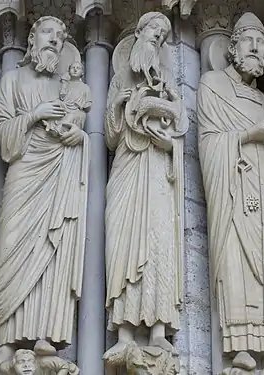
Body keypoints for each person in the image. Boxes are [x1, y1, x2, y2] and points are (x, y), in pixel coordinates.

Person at [0, 16, 90, 366]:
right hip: (24, 171)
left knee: (53, 250)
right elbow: (3, 134)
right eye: (48, 33)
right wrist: (34, 114)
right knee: (11, 246)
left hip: (58, 172)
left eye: (62, 36)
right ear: (33, 38)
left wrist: (79, 138)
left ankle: (44, 335)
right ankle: (6, 338)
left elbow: (78, 129)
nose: (55, 40)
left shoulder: (66, 88)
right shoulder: (12, 79)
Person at [104, 11, 188, 358]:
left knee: (158, 244)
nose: (159, 37)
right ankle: (123, 333)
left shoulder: (168, 82)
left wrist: (169, 141)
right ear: (138, 33)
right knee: (124, 244)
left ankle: (157, 329)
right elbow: (109, 137)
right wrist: (122, 102)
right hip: (128, 166)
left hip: (157, 171)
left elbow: (179, 127)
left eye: (165, 34)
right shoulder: (120, 79)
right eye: (154, 29)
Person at [197, 12, 264, 363]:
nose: (256, 49)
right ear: (231, 47)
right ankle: (237, 347)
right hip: (231, 188)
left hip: (263, 189)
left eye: (261, 44)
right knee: (235, 263)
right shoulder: (212, 84)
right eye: (249, 41)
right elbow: (207, 143)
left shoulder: (263, 102)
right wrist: (247, 137)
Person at [43, 61, 91, 136]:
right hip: (65, 106)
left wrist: (81, 105)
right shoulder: (65, 84)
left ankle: (58, 129)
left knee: (72, 116)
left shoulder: (85, 87)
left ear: (82, 73)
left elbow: (88, 104)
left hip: (76, 110)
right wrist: (64, 84)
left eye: (78, 68)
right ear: (68, 71)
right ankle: (50, 124)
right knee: (56, 103)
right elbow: (62, 96)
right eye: (73, 68)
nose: (75, 70)